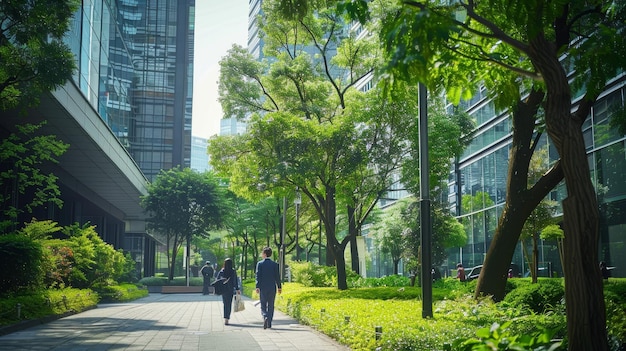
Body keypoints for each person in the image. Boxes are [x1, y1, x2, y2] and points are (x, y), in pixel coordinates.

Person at [255, 246, 282, 329]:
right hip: (272, 287)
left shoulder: (260, 264)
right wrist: (279, 287)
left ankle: (265, 316)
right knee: (271, 305)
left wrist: (257, 286)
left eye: (262, 253)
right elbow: (277, 276)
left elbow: (258, 276)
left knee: (263, 304)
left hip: (263, 287)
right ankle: (269, 322)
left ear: (264, 254)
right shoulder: (275, 264)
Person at [216, 258, 240, 325]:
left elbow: (217, 279)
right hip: (230, 290)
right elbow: (235, 281)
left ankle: (225, 317)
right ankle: (227, 318)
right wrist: (237, 289)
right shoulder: (233, 271)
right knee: (229, 304)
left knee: (225, 303)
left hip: (223, 290)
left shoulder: (222, 271)